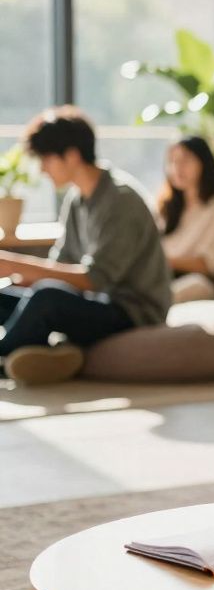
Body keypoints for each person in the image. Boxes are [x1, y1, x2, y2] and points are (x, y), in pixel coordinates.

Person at [0, 106, 172, 385]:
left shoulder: (121, 200)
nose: (43, 169)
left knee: (46, 298)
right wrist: (18, 280)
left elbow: (95, 280)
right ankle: (42, 353)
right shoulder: (76, 200)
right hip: (95, 303)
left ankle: (10, 354)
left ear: (71, 155)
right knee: (7, 294)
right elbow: (61, 265)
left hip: (132, 310)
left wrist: (12, 264)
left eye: (46, 159)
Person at [157, 136, 214, 304]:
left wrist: (163, 260)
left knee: (197, 285)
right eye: (172, 161)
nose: (177, 168)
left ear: (204, 163)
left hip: (189, 281)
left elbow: (208, 265)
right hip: (157, 276)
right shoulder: (167, 208)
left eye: (185, 160)